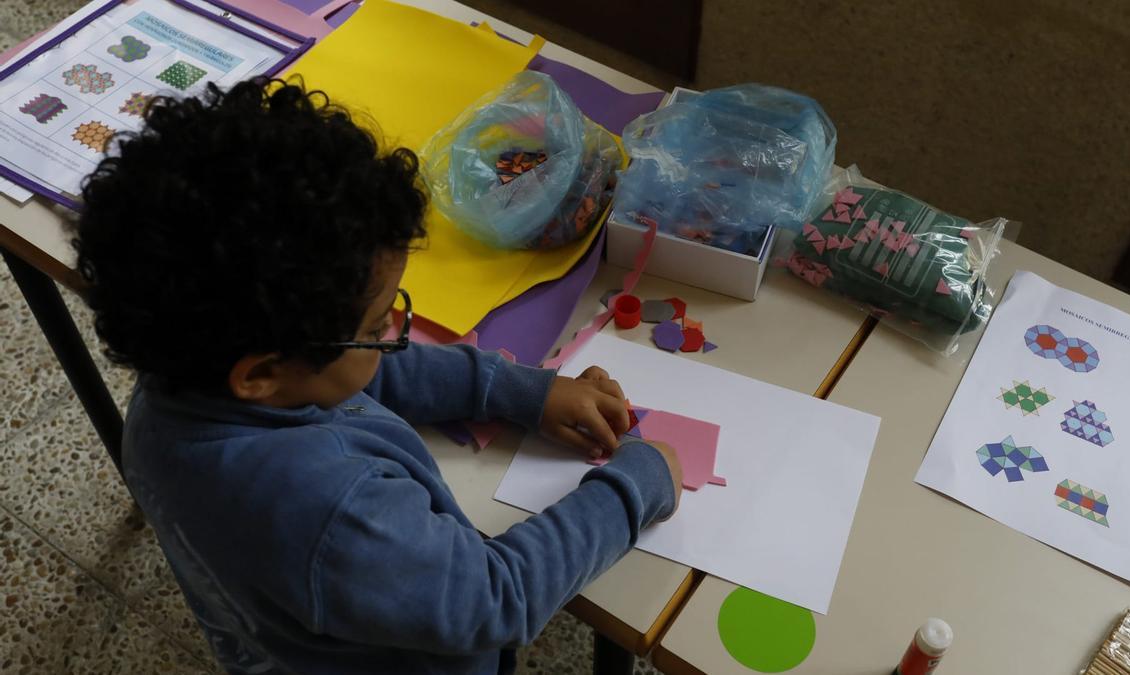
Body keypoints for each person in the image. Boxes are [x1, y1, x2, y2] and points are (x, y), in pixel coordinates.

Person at [72, 78, 683, 674]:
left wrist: (521, 391)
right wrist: (633, 489)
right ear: (260, 373)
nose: (392, 333)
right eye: (373, 327)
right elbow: (496, 598)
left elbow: (357, 375)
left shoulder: (178, 381)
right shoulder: (332, 512)